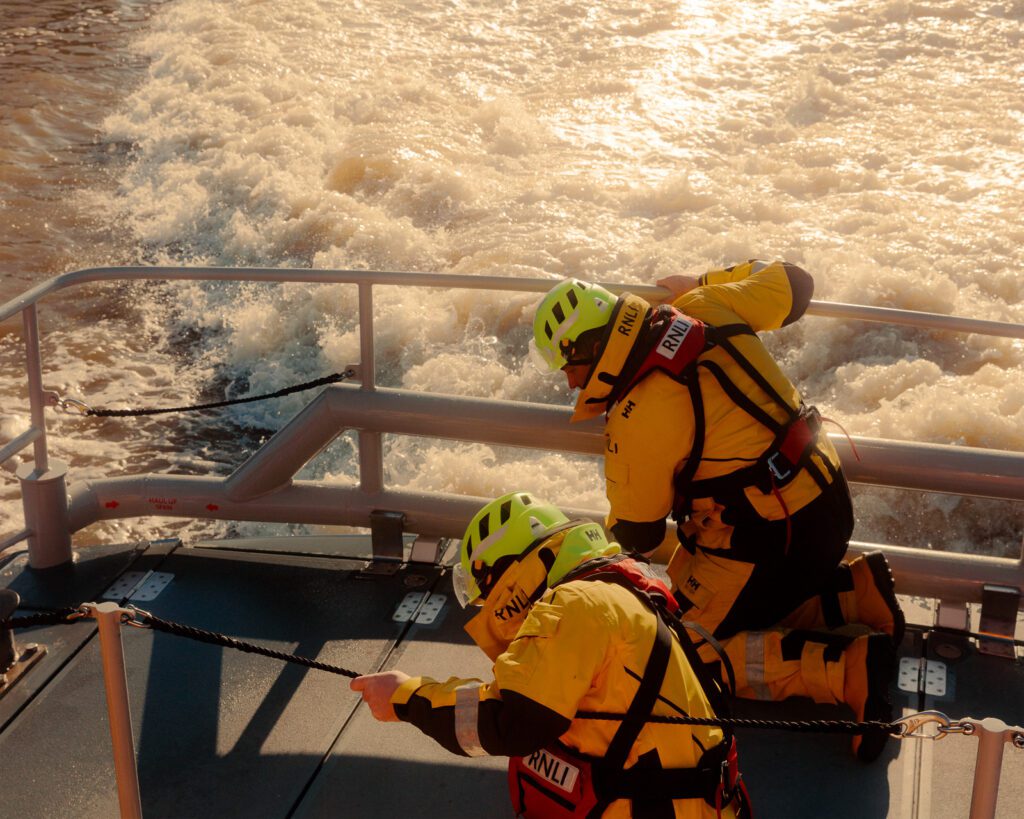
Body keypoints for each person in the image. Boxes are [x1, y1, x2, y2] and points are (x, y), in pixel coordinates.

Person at [530, 261, 904, 761]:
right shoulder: (701, 307)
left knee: (677, 652)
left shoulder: (637, 413)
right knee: (704, 589)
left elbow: (637, 531)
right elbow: (796, 284)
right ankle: (854, 595)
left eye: (569, 368)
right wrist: (705, 282)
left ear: (591, 349)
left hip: (770, 538)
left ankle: (845, 670)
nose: (573, 385)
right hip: (827, 498)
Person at [352, 491, 750, 818]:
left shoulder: (576, 604)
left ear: (507, 576)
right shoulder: (609, 593)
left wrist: (405, 697)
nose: (487, 607)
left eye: (486, 594)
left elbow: (510, 721)